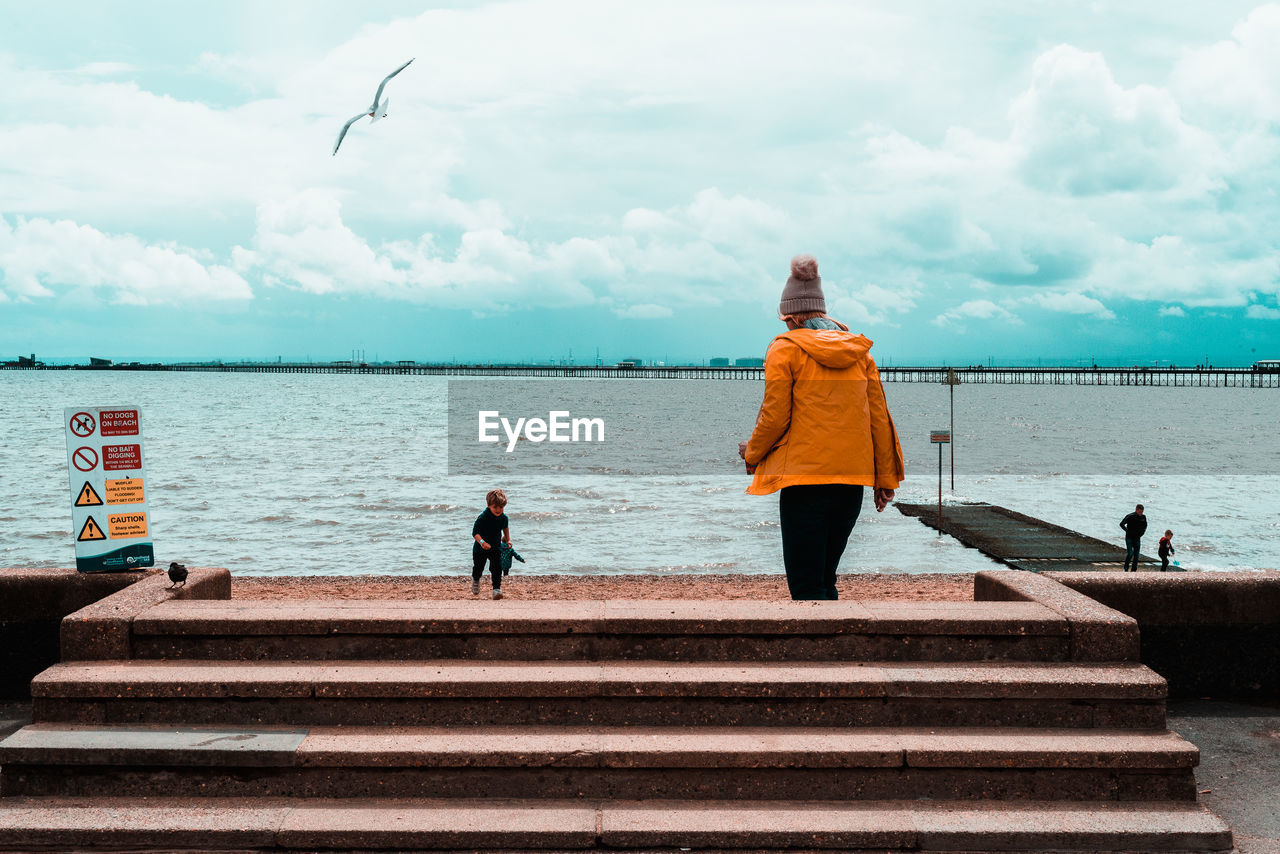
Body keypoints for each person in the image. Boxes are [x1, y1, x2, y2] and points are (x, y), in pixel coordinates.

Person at [739, 254, 905, 600]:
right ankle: (834, 651)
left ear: (790, 315)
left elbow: (774, 416)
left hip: (804, 484)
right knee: (825, 581)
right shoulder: (860, 353)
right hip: (851, 485)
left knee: (805, 585)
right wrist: (885, 478)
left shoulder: (785, 350)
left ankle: (816, 653)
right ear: (822, 311)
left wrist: (752, 453)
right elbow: (879, 420)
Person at [472, 488, 511, 599]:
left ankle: (496, 589)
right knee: (478, 567)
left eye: (501, 507)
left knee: (497, 568)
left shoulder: (504, 518)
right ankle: (475, 580)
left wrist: (508, 540)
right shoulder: (483, 517)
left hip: (495, 547)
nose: (498, 510)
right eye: (495, 507)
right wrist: (482, 542)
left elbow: (505, 528)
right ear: (489, 505)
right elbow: (475, 533)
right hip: (480, 549)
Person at [1119, 504, 1147, 572]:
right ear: (1136, 510)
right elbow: (1121, 524)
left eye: (1142, 512)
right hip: (1129, 538)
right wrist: (1127, 531)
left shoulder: (1143, 517)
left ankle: (1134, 570)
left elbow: (1145, 526)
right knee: (1130, 553)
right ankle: (1126, 568)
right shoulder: (1130, 516)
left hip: (1137, 538)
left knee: (1137, 555)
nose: (1141, 513)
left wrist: (1142, 533)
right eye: (1140, 512)